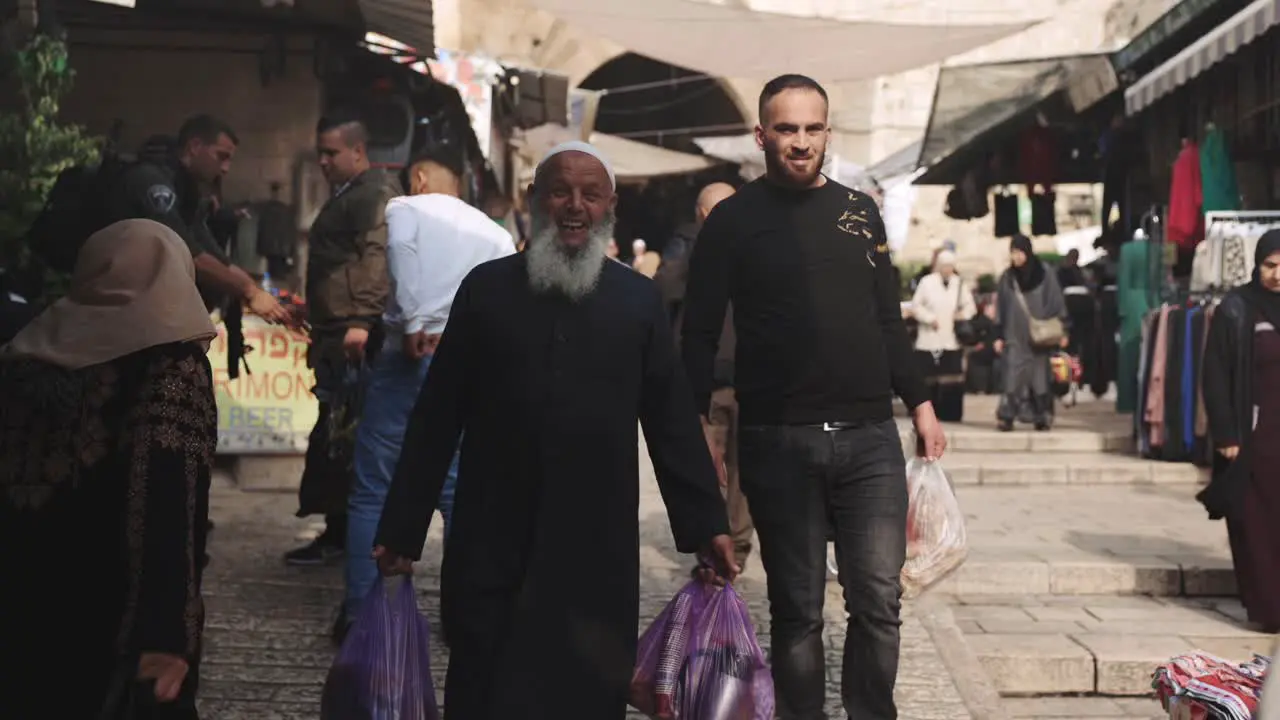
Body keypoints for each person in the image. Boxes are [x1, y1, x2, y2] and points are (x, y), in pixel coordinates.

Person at [372, 140, 736, 719]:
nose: (574, 206)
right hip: (493, 537)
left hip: (594, 547)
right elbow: (437, 415)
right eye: (560, 192)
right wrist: (403, 525)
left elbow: (670, 422)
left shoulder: (636, 301)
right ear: (535, 202)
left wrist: (706, 525)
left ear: (609, 208)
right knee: (486, 690)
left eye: (591, 195)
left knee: (584, 695)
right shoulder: (485, 290)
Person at [681, 74, 947, 720]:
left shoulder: (861, 213)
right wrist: (694, 430)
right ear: (762, 135)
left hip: (869, 440)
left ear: (828, 132)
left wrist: (920, 402)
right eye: (786, 129)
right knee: (797, 610)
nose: (800, 143)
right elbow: (698, 329)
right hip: (778, 439)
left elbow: (888, 320)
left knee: (878, 602)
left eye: (811, 129)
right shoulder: (732, 222)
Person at [0, 219, 217, 718]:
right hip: (111, 612)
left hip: (21, 602)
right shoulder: (169, 364)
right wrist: (167, 636)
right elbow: (168, 502)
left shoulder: (24, 351)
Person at [338, 148, 515, 641]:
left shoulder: (404, 209)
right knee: (460, 492)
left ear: (417, 178)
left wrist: (416, 319)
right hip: (472, 361)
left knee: (376, 486)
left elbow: (402, 256)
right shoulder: (496, 232)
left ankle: (362, 615)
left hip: (409, 355)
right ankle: (462, 616)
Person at [285, 110, 402, 567]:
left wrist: (362, 319)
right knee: (336, 435)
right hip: (336, 332)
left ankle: (347, 536)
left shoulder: (374, 192)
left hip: (355, 338)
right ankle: (339, 532)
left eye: (332, 152)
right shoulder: (350, 193)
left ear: (358, 152)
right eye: (320, 153)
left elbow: (377, 255)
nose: (323, 161)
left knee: (347, 438)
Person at [655, 181, 756, 569]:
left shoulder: (752, 246)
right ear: (701, 214)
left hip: (748, 378)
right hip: (707, 382)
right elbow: (664, 288)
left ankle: (739, 546)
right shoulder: (687, 247)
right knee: (708, 469)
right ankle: (712, 545)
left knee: (743, 472)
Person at [112, 115, 288, 323]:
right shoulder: (152, 182)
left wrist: (262, 296)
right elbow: (187, 253)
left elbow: (214, 256)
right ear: (194, 146)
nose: (225, 168)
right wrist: (250, 292)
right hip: (116, 306)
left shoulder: (185, 190)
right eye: (221, 157)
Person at [1201, 229, 1280, 633]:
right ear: (1257, 264)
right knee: (1255, 522)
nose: (1277, 274)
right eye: (1270, 265)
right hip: (1254, 438)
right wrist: (1227, 434)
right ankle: (1268, 608)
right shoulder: (1237, 307)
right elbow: (1214, 373)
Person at [993, 234, 1068, 432]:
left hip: (1039, 338)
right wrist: (998, 335)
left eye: (1019, 252)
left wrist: (1062, 330)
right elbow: (1000, 307)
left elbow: (1056, 303)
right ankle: (1007, 416)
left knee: (1040, 377)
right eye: (1013, 252)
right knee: (1012, 375)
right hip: (1014, 336)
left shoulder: (1045, 274)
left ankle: (1042, 416)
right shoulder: (1007, 278)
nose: (1016, 257)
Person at [910, 249, 977, 422]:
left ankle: (951, 414)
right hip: (929, 339)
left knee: (951, 380)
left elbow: (970, 307)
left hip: (951, 339)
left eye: (950, 266)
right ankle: (929, 415)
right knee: (929, 380)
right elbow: (916, 306)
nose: (947, 269)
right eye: (944, 266)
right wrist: (929, 318)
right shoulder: (926, 282)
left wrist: (961, 315)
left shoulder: (959, 283)